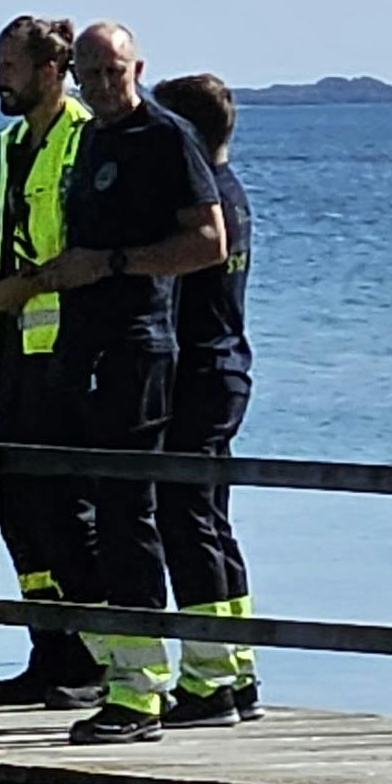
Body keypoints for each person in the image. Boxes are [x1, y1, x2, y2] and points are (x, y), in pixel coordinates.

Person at [0, 23, 228, 744]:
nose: (100, 86)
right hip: (76, 346)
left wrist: (115, 263)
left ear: (138, 68)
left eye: (112, 72)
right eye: (90, 74)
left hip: (136, 347)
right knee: (53, 504)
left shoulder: (165, 136)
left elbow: (210, 241)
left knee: (128, 514)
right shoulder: (92, 136)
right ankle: (103, 665)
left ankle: (141, 690)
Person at [0, 16, 99, 706]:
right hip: (12, 348)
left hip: (66, 351)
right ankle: (49, 649)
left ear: (50, 70)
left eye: (8, 66)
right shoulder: (12, 142)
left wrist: (31, 282)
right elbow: (15, 220)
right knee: (17, 505)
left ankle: (95, 657)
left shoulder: (82, 138)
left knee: (67, 507)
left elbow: (86, 242)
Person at [149, 72, 257, 723]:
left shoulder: (202, 206)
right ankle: (237, 668)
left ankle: (207, 678)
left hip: (196, 371)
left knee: (184, 518)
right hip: (227, 369)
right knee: (211, 519)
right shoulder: (232, 193)